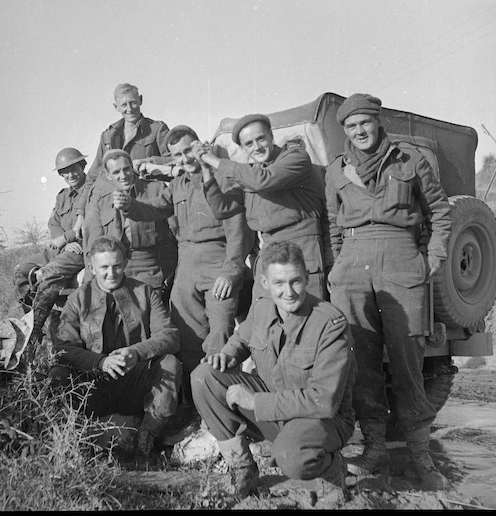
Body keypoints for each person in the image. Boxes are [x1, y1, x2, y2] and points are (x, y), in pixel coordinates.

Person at [324, 93, 452, 490]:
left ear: (378, 122)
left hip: (401, 257)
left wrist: (433, 256)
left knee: (408, 358)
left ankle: (420, 454)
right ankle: (375, 447)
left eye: (365, 123)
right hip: (353, 262)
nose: (359, 131)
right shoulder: (337, 171)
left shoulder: (409, 161)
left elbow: (440, 211)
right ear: (343, 131)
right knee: (359, 359)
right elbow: (332, 223)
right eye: (351, 126)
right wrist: (340, 268)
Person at [191, 240, 355, 503]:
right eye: (279, 283)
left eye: (296, 281)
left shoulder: (329, 323)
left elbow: (323, 400)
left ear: (306, 278)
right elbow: (242, 340)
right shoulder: (262, 308)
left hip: (322, 420)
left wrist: (254, 401)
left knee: (292, 455)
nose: (288, 292)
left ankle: (334, 473)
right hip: (276, 409)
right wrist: (227, 355)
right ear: (266, 284)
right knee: (204, 376)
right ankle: (243, 468)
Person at [114, 125, 254, 401]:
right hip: (187, 262)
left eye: (189, 149)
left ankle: (222, 399)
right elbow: (155, 209)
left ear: (200, 145)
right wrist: (130, 206)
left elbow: (239, 234)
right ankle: (195, 399)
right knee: (186, 332)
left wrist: (231, 272)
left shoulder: (223, 179)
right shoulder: (178, 184)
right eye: (177, 154)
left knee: (220, 329)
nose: (186, 158)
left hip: (219, 259)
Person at [50, 235, 182, 466]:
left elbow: (169, 335)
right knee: (58, 373)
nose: (111, 273)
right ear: (92, 268)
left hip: (134, 384)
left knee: (170, 363)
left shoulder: (145, 292)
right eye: (104, 268)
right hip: (94, 385)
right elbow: (63, 347)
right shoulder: (78, 298)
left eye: (117, 266)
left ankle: (146, 440)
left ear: (125, 263)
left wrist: (136, 352)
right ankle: (75, 446)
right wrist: (100, 363)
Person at [195, 113, 332, 302]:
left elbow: (264, 180)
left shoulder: (295, 157)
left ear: (271, 136)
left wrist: (213, 160)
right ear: (243, 148)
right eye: (249, 144)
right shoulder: (250, 174)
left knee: (306, 319)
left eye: (261, 139)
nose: (257, 147)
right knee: (265, 319)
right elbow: (222, 209)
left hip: (302, 249)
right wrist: (205, 169)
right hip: (268, 252)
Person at [73, 83, 172, 240]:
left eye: (133, 102)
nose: (130, 109)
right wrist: (81, 213)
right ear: (116, 107)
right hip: (113, 204)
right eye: (124, 105)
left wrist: (149, 162)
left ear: (140, 100)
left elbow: (174, 160)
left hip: (146, 201)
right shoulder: (108, 135)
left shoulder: (156, 129)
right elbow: (93, 175)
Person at [19, 147, 90, 345]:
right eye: (64, 171)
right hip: (62, 247)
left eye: (74, 168)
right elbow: (53, 222)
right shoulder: (62, 196)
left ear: (82, 166)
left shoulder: (91, 191)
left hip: (81, 248)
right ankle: (29, 319)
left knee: (49, 273)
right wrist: (63, 241)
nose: (70, 174)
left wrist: (67, 240)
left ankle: (35, 330)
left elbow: (88, 222)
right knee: (22, 271)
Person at [84, 148, 177, 295]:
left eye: (126, 169)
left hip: (149, 269)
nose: (123, 176)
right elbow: (93, 244)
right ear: (108, 176)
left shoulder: (156, 189)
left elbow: (175, 232)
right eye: (116, 172)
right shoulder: (101, 201)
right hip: (114, 271)